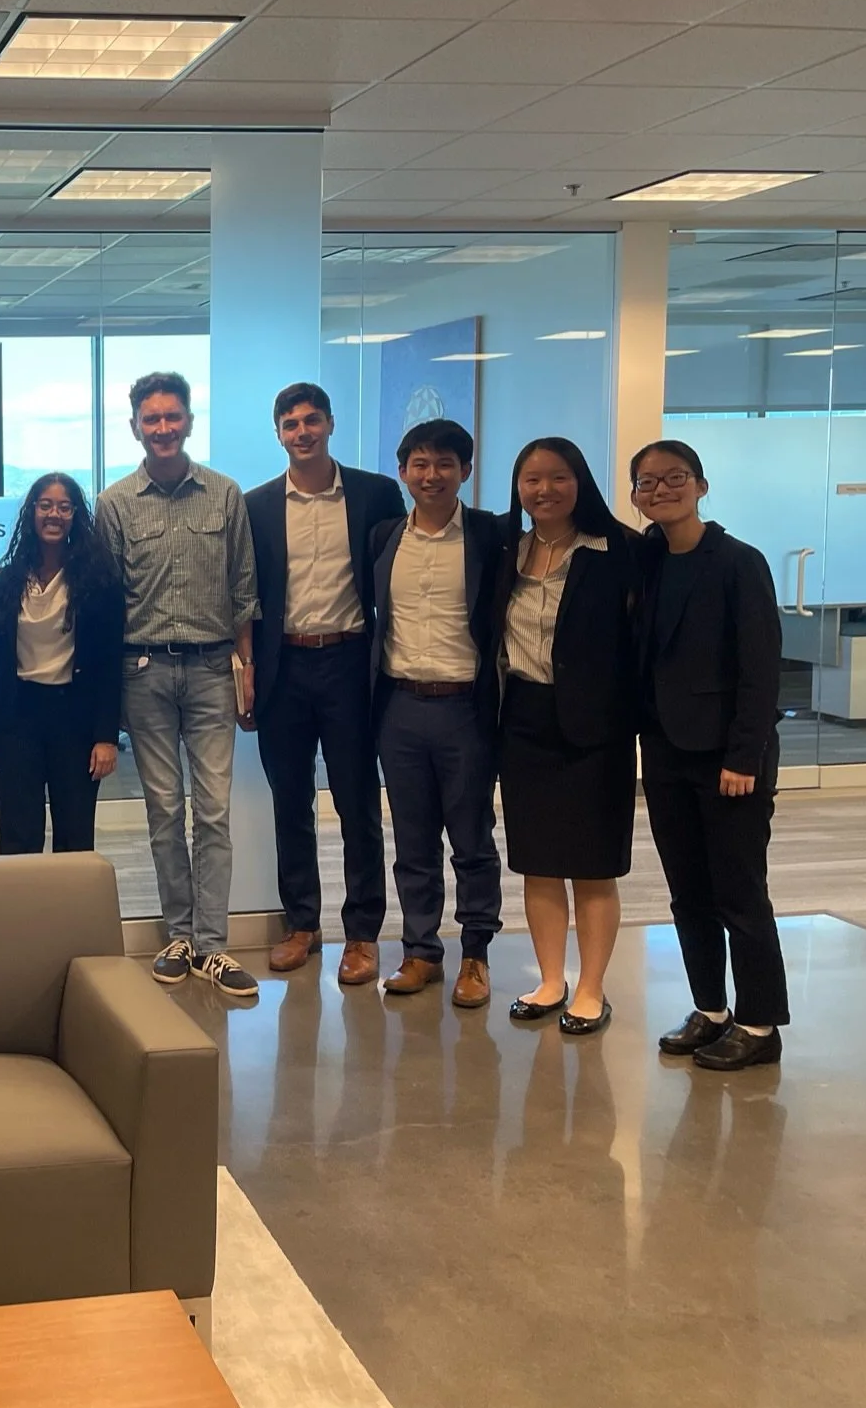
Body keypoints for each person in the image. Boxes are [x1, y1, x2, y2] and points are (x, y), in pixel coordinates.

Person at [96, 372, 261, 1000]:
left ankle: (212, 945)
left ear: (189, 421)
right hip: (143, 673)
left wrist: (248, 671)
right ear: (135, 426)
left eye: (172, 417)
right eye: (151, 419)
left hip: (215, 669)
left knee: (213, 810)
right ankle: (179, 935)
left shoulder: (225, 495)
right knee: (165, 809)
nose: (162, 428)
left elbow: (244, 589)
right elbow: (107, 603)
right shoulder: (115, 504)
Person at [630, 440, 789, 1071]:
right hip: (665, 752)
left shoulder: (738, 563)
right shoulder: (646, 560)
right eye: (648, 482)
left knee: (740, 894)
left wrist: (744, 756)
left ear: (701, 486)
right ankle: (711, 1010)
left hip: (728, 759)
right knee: (687, 893)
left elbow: (761, 668)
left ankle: (759, 1023)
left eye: (675, 478)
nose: (661, 490)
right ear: (636, 495)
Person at [246, 382, 406, 986]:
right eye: (290, 424)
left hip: (349, 663)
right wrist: (246, 673)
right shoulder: (258, 506)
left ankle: (362, 932)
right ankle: (301, 924)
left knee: (356, 801)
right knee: (290, 802)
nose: (302, 432)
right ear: (278, 434)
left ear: (331, 424)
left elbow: (397, 576)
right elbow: (247, 596)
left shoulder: (375, 493)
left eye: (312, 420)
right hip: (283, 668)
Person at [496, 436, 638, 1035]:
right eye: (532, 479)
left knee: (593, 863)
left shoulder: (619, 550)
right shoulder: (508, 549)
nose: (545, 490)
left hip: (596, 726)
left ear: (580, 481)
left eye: (558, 477)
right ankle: (551, 981)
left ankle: (592, 988)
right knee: (539, 861)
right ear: (518, 488)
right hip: (524, 719)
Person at [365, 419, 508, 1009]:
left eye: (445, 464)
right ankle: (421, 951)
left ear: (465, 471)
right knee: (413, 841)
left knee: (472, 839)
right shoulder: (383, 537)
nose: (431, 475)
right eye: (420, 464)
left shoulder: (491, 535)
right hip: (398, 707)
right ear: (403, 472)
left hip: (465, 709)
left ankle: (476, 954)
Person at [0, 473, 124, 854]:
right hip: (15, 721)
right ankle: (23, 899)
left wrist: (106, 737)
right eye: (46, 505)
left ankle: (69, 899)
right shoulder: (5, 584)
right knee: (18, 837)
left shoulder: (98, 583)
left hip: (75, 721)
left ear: (76, 516)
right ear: (32, 513)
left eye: (64, 507)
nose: (55, 514)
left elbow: (109, 666)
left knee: (75, 835)